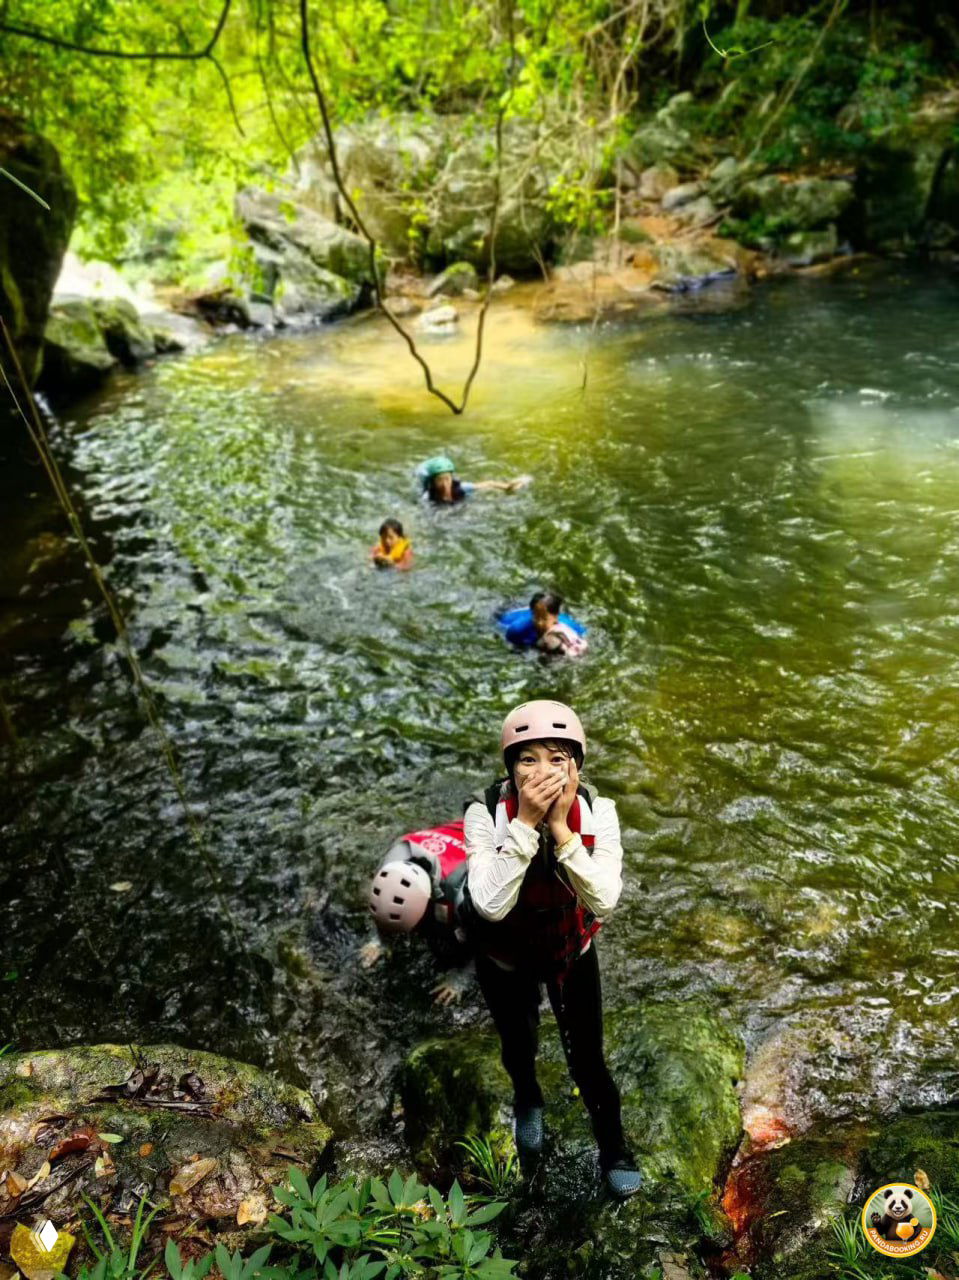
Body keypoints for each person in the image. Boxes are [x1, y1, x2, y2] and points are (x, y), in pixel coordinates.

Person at [462, 699, 642, 1198]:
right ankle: (528, 1100)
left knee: (589, 1062)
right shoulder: (484, 814)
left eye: (558, 758)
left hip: (572, 956)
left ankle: (614, 1147)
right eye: (528, 759)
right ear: (510, 769)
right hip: (505, 960)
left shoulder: (598, 811)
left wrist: (561, 830)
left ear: (577, 767)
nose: (543, 772)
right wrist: (523, 825)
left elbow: (605, 897)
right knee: (518, 1047)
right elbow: (490, 904)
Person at [361, 820, 473, 1004]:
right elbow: (386, 902)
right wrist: (378, 941)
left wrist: (460, 980)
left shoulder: (464, 893)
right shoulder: (392, 863)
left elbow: (489, 942)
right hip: (452, 833)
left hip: (483, 834)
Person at [418, 455, 530, 505]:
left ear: (452, 477)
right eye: (439, 480)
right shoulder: (428, 496)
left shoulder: (461, 487)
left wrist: (507, 487)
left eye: (447, 479)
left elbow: (488, 484)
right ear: (433, 481)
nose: (444, 483)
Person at [531, 591, 588, 657]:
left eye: (544, 619)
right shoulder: (564, 628)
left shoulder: (548, 639)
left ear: (556, 616)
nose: (539, 623)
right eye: (536, 617)